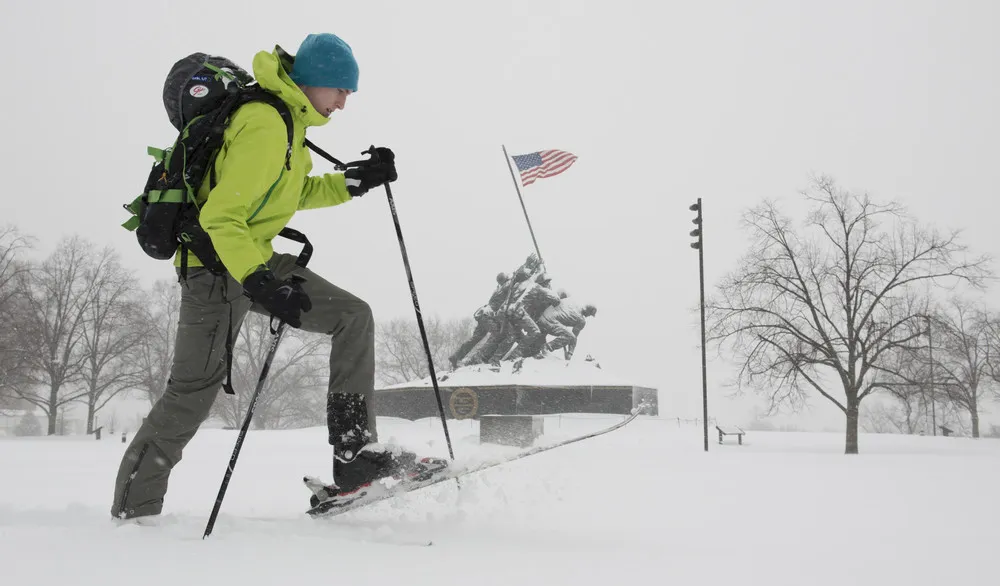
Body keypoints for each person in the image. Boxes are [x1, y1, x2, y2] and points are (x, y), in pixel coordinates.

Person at [111, 33, 417, 520]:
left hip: (252, 260)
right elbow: (220, 217)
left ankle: (353, 456)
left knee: (352, 317)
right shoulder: (264, 123)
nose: (343, 101)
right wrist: (260, 281)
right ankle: (133, 510)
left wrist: (352, 182)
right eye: (340, 89)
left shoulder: (288, 124)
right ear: (313, 81)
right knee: (191, 394)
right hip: (214, 269)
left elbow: (285, 194)